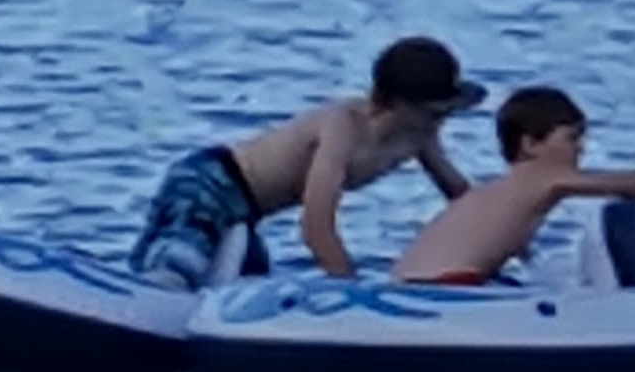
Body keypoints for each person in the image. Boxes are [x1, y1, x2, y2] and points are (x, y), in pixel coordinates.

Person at [131, 36, 489, 290]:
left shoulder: (418, 136)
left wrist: (519, 249)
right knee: (179, 268)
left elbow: (462, 196)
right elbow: (316, 226)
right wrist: (352, 293)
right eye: (430, 111)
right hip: (209, 184)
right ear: (394, 103)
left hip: (247, 214)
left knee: (244, 287)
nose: (439, 121)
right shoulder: (342, 127)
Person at [396, 86, 635, 284]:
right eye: (572, 138)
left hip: (412, 279)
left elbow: (498, 241)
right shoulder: (545, 178)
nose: (581, 148)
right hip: (449, 286)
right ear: (530, 144)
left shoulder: (501, 190)